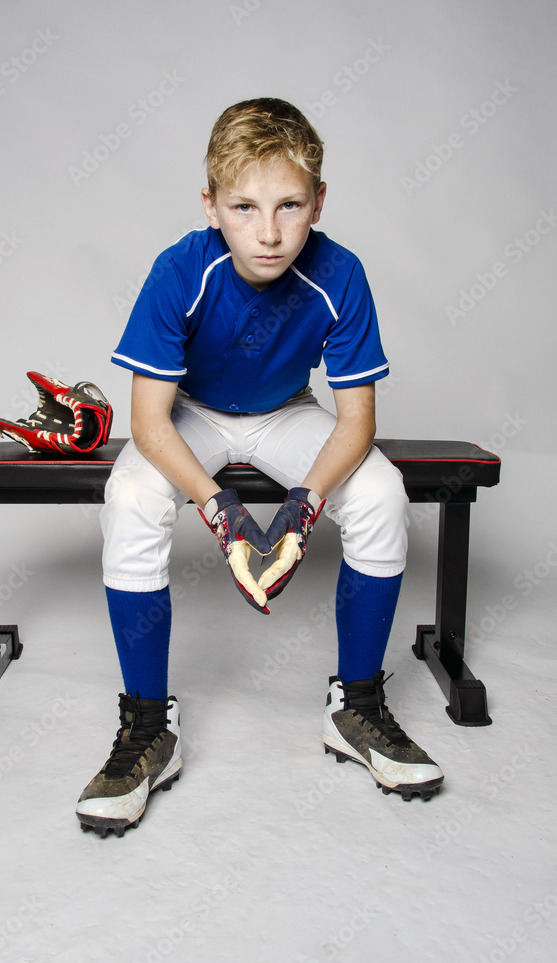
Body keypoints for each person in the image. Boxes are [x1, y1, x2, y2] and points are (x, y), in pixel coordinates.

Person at [76, 98, 444, 837]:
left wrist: (301, 509)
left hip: (284, 413)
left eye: (288, 205)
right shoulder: (181, 269)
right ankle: (149, 726)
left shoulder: (339, 272)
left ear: (318, 201)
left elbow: (356, 420)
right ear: (210, 205)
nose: (268, 231)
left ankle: (356, 708)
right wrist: (225, 513)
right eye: (243, 207)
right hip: (192, 414)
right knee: (130, 497)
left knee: (378, 491)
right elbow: (149, 421)